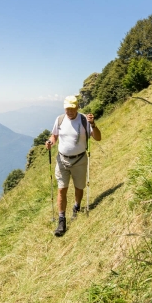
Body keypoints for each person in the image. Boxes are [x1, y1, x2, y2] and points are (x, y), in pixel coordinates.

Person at [45, 95, 101, 237]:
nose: (69, 111)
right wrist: (50, 142)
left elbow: (98, 137)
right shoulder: (60, 120)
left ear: (77, 107)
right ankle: (62, 219)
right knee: (61, 189)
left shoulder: (84, 120)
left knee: (79, 187)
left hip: (80, 160)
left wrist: (93, 124)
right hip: (62, 160)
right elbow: (54, 136)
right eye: (67, 108)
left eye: (72, 108)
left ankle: (76, 207)